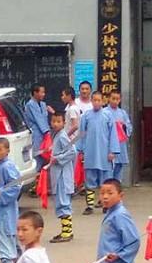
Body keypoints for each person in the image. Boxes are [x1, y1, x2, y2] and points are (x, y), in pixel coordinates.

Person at [78, 91, 119, 215]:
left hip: (104, 153)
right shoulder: (86, 116)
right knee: (89, 180)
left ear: (103, 101)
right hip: (90, 153)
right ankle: (89, 205)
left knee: (105, 182)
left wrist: (112, 151)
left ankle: (105, 205)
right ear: (91, 101)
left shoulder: (108, 115)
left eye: (99, 100)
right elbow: (82, 134)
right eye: (94, 100)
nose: (96, 102)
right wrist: (81, 149)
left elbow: (113, 135)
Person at [49, 112, 76, 243]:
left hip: (62, 175)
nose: (55, 124)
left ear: (63, 123)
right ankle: (66, 231)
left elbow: (72, 152)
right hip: (58, 174)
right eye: (53, 121)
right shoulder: (57, 136)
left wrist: (57, 159)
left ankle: (67, 233)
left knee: (63, 202)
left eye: (58, 121)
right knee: (61, 202)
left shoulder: (62, 136)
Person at [23, 84, 54, 171]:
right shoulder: (30, 105)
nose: (43, 94)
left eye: (44, 92)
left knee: (45, 155)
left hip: (44, 133)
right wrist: (47, 132)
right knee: (37, 156)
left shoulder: (43, 104)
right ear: (35, 93)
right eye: (42, 92)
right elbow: (39, 120)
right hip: (37, 134)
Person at [106, 89, 132, 181]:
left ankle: (117, 187)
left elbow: (129, 128)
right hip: (108, 146)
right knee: (108, 170)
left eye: (117, 99)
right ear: (109, 98)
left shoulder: (122, 113)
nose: (115, 101)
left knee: (118, 168)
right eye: (113, 98)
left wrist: (123, 126)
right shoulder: (105, 112)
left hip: (120, 144)